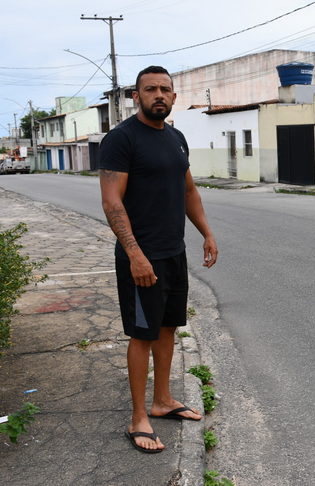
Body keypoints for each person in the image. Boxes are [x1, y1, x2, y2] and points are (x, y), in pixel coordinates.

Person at [98, 65, 218, 454]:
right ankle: (138, 418)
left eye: (165, 89)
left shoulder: (177, 138)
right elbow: (111, 201)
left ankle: (163, 400)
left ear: (174, 97)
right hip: (141, 257)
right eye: (150, 89)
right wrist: (134, 253)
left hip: (173, 253)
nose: (159, 95)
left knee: (167, 328)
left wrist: (207, 233)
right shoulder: (121, 139)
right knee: (142, 334)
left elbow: (188, 192)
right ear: (136, 96)